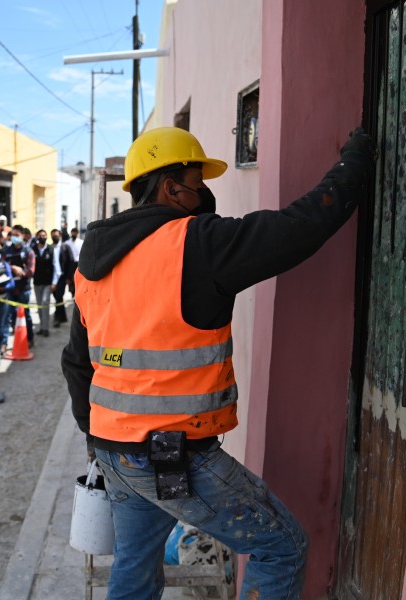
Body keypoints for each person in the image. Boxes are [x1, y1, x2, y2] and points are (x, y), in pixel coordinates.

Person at [61, 126, 376, 600]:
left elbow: (76, 362)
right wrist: (355, 161)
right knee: (282, 548)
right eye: (196, 181)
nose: (203, 193)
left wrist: (94, 435)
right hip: (172, 456)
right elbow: (300, 226)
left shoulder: (94, 262)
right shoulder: (195, 243)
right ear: (170, 187)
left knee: (135, 562)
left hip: (114, 450)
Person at [4, 224, 35, 348]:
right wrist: (12, 268)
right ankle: (6, 343)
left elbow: (31, 271)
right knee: (8, 315)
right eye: (13, 235)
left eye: (17, 235)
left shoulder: (28, 251)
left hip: (23, 289)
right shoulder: (7, 251)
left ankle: (29, 339)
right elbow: (2, 266)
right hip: (10, 288)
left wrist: (21, 271)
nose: (15, 238)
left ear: (23, 236)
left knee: (25, 315)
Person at [32, 229, 54, 337]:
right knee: (40, 305)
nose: (42, 237)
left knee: (45, 303)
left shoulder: (51, 249)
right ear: (37, 237)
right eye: (40, 235)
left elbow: (55, 266)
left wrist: (54, 282)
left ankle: (46, 328)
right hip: (37, 282)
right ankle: (41, 326)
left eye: (44, 235)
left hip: (47, 282)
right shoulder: (33, 250)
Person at [50, 228, 71, 328]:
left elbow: (71, 263)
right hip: (52, 278)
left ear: (60, 236)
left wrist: (69, 277)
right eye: (53, 235)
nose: (55, 237)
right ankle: (63, 317)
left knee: (58, 297)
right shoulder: (50, 248)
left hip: (62, 277)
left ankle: (57, 318)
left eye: (57, 235)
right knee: (57, 298)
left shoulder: (65, 247)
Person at [63, 226, 83, 294]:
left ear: (77, 233)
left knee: (78, 280)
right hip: (69, 264)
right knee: (71, 281)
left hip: (78, 264)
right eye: (73, 232)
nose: (74, 234)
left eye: (75, 233)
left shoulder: (81, 242)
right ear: (71, 233)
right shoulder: (67, 243)